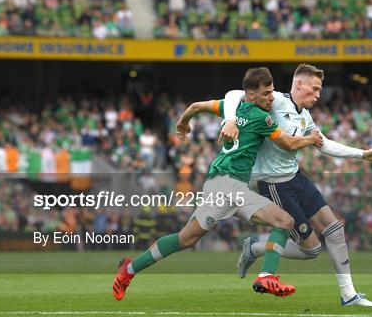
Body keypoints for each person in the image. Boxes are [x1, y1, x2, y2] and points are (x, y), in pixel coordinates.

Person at [112, 67, 323, 300]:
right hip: (227, 185)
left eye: (272, 92)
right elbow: (289, 144)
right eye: (266, 93)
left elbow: (194, 107)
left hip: (225, 184)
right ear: (251, 95)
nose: (271, 98)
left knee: (186, 238)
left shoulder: (228, 107)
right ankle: (266, 276)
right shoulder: (262, 118)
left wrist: (183, 123)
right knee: (284, 221)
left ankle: (128, 270)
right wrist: (311, 139)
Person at [220, 63, 372, 307]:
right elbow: (234, 94)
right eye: (315, 89)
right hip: (275, 186)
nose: (318, 95)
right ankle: (254, 249)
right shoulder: (275, 100)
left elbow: (324, 143)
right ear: (299, 84)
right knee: (311, 250)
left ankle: (349, 295)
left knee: (335, 229)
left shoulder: (304, 115)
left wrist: (363, 154)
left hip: (297, 179)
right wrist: (231, 120)